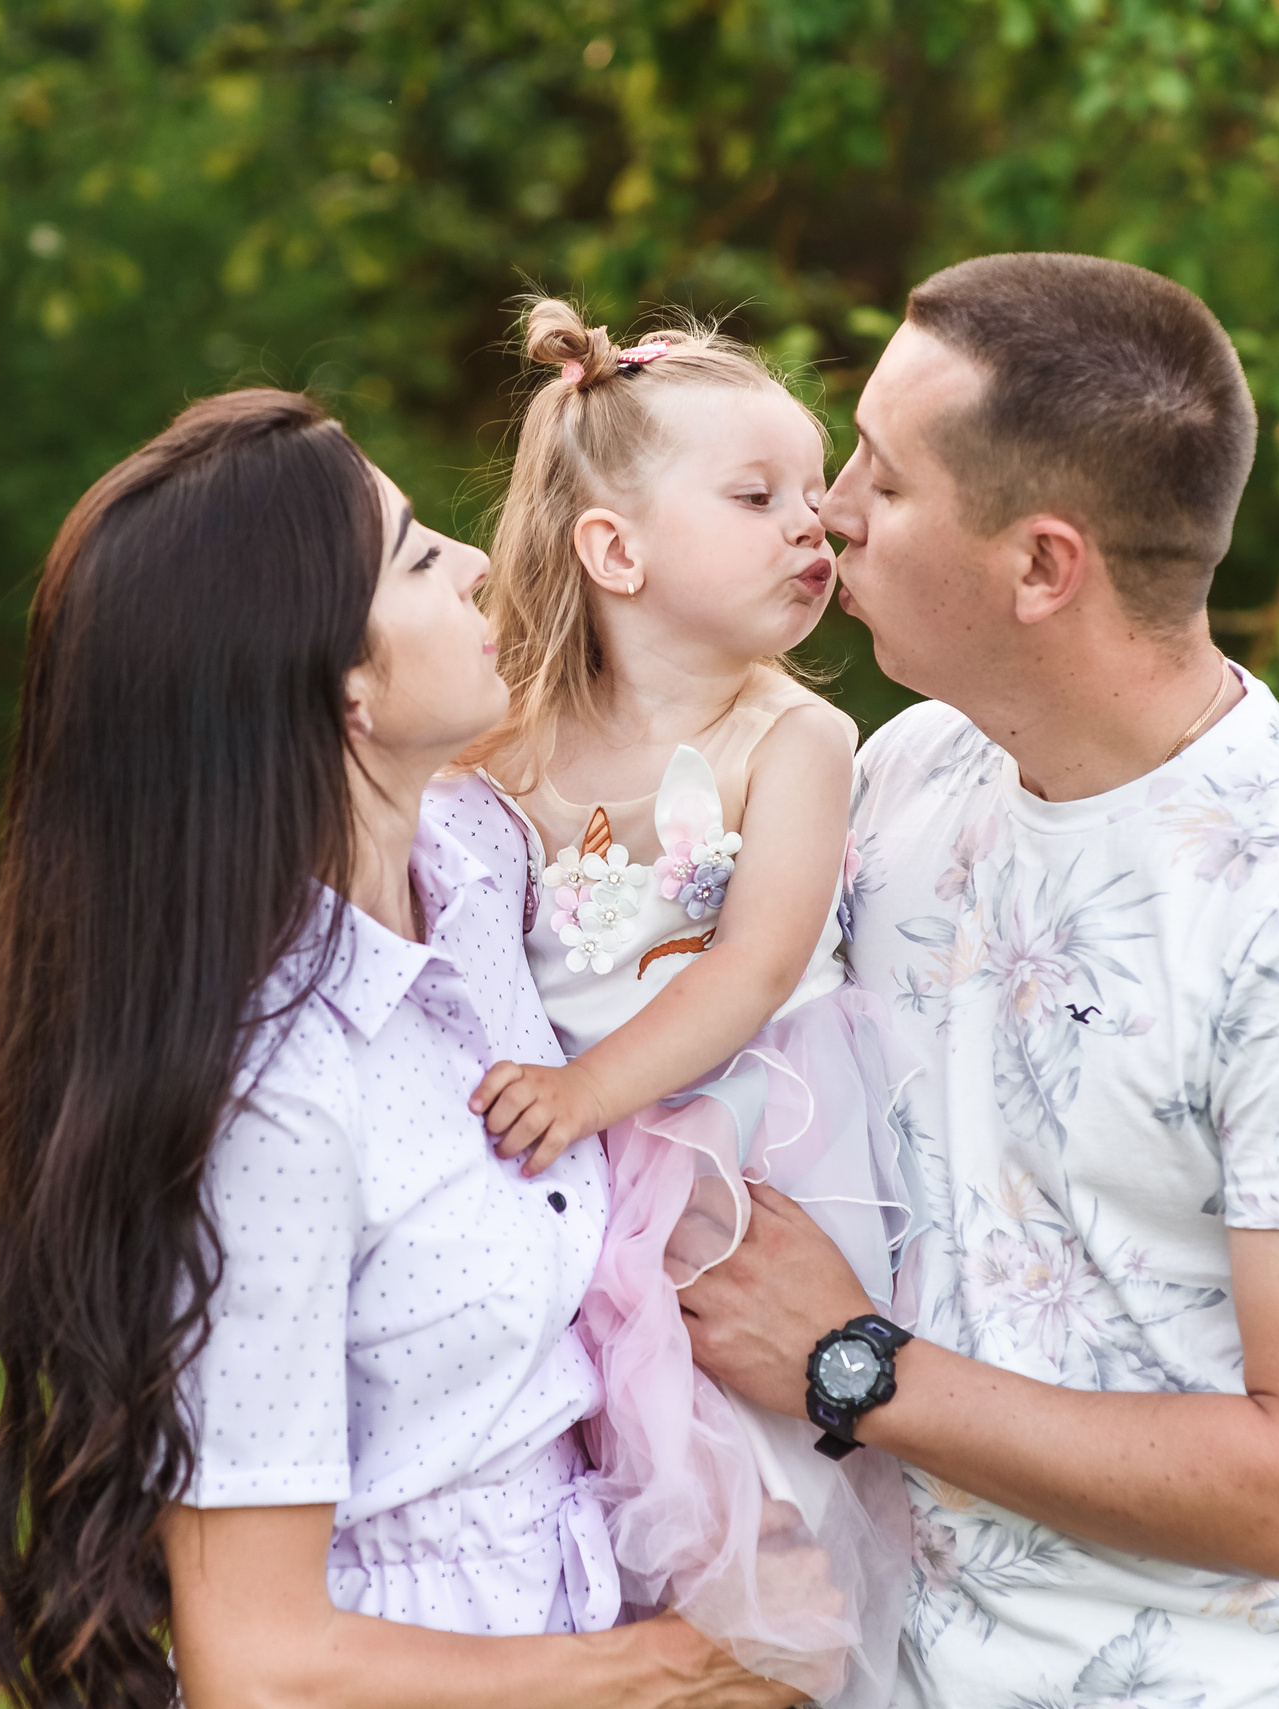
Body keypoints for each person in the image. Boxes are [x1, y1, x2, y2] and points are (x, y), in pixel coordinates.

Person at [679, 254, 1279, 1707]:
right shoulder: (911, 772)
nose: (830, 509)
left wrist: (851, 1364)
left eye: (885, 475)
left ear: (1043, 566)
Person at [0, 389, 799, 1709]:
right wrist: (664, 1671)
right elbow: (263, 1667)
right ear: (341, 686)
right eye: (415, 553)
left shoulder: (474, 862)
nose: (474, 565)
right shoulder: (274, 1103)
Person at [460, 301, 918, 1709]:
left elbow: (756, 963)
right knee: (599, 1471)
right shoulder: (503, 744)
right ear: (616, 550)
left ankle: (774, 1662)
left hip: (746, 1153)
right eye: (759, 495)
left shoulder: (793, 735)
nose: (816, 525)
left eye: (816, 489)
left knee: (754, 1480)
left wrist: (594, 1095)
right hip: (569, 1166)